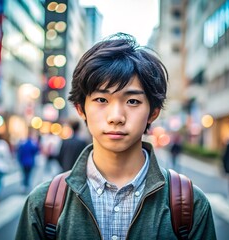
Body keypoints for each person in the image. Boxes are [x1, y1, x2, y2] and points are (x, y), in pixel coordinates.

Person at [16, 33, 216, 239]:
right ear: (81, 108)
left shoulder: (188, 205)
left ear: (153, 112)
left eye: (132, 102)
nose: (116, 117)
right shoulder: (44, 204)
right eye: (101, 99)